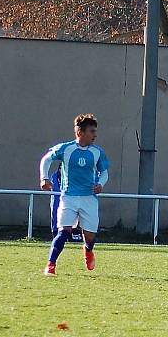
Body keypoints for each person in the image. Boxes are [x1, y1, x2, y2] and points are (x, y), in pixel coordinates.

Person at [39, 114, 110, 276]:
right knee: (63, 232)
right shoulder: (66, 148)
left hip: (89, 199)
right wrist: (44, 177)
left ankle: (88, 250)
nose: (95, 135)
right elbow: (46, 160)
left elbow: (104, 172)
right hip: (68, 197)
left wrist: (101, 184)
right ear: (80, 132)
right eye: (92, 131)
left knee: (89, 236)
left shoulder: (97, 152)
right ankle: (51, 264)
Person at [49, 169, 84, 242]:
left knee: (70, 218)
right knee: (56, 217)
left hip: (69, 201)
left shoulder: (72, 176)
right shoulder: (54, 176)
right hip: (57, 201)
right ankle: (56, 237)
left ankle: (71, 235)